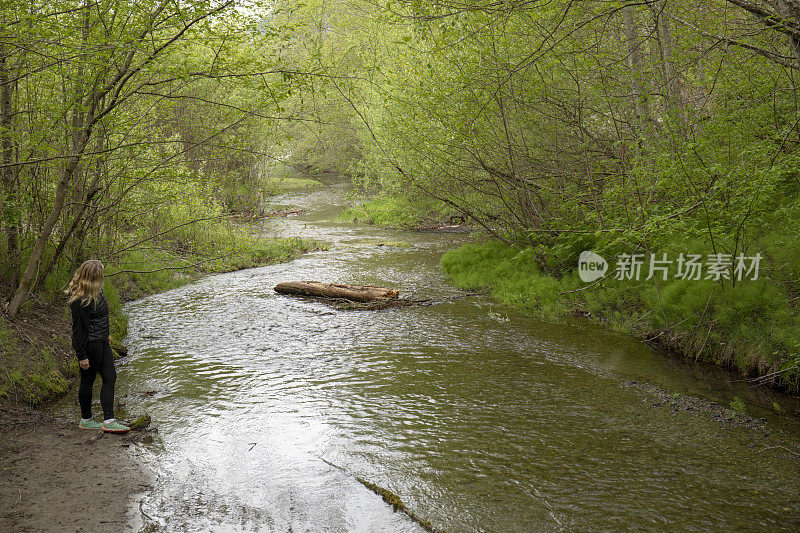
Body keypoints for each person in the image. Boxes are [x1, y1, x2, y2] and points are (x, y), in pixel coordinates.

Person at [66, 259, 130, 433]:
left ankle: (109, 420)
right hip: (91, 345)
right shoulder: (81, 300)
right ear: (94, 277)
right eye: (101, 273)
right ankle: (86, 419)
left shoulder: (97, 291)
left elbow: (100, 317)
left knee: (110, 377)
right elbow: (79, 331)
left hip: (102, 341)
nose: (103, 275)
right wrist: (82, 356)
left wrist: (106, 334)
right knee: (88, 381)